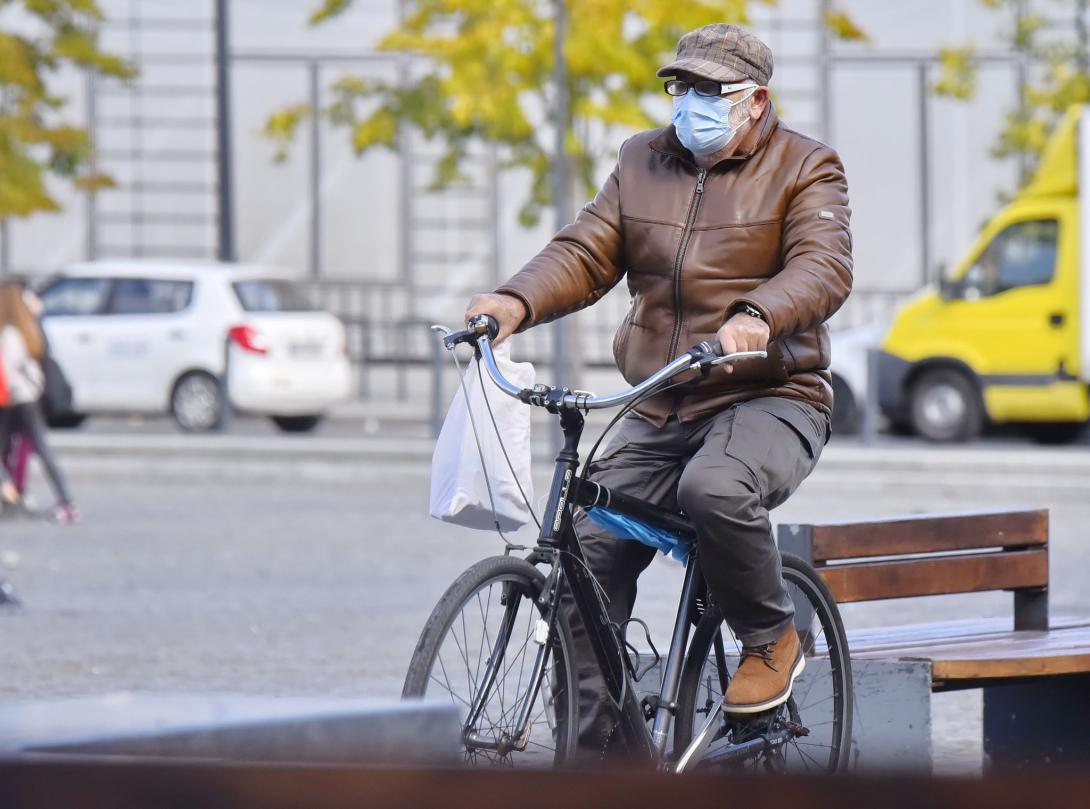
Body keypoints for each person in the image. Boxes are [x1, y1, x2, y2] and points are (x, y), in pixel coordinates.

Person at [465, 23, 852, 756]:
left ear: (757, 101)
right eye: (682, 87)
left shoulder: (807, 167)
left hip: (772, 393)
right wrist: (513, 302)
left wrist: (757, 314)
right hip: (664, 395)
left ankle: (771, 639)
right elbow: (585, 251)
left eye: (712, 91)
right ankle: (599, 759)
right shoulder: (642, 159)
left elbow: (823, 266)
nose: (691, 104)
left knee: (714, 486)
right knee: (586, 552)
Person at [0, 282, 79, 523]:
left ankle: (13, 490)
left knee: (35, 450)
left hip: (14, 400)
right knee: (40, 451)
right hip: (27, 398)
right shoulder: (27, 329)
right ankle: (64, 501)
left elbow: (9, 370)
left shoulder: (9, 334)